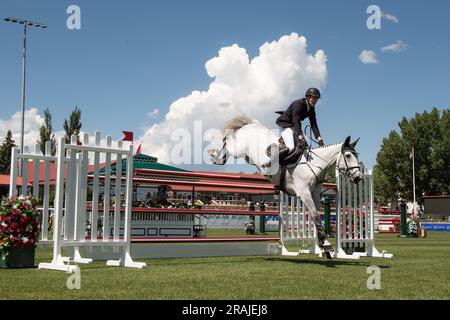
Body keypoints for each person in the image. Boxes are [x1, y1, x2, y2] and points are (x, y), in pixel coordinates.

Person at [263, 88, 324, 167]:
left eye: (316, 99)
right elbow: (296, 120)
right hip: (285, 124)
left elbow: (313, 124)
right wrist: (300, 136)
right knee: (291, 147)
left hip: (294, 126)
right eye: (313, 98)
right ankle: (271, 161)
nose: (315, 100)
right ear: (308, 97)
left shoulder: (311, 108)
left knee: (305, 146)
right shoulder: (298, 104)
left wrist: (319, 139)